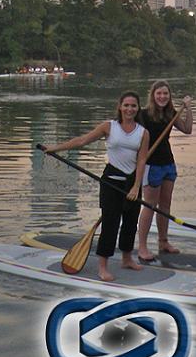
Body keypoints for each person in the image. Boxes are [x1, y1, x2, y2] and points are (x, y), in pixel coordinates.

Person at [44, 91, 149, 281]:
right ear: (120, 106)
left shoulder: (143, 133)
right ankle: (103, 267)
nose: (130, 109)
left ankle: (127, 259)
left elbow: (141, 161)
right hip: (110, 182)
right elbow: (82, 140)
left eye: (133, 105)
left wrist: (136, 186)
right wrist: (55, 149)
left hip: (131, 183)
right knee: (110, 223)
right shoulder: (109, 127)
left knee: (130, 223)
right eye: (126, 105)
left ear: (138, 108)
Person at [136, 80, 192, 261]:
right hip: (151, 165)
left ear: (169, 96)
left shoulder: (171, 114)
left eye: (165, 94)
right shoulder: (143, 115)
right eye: (159, 93)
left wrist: (188, 108)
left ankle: (163, 241)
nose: (162, 97)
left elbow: (187, 129)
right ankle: (142, 246)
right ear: (153, 95)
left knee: (165, 206)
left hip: (168, 163)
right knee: (149, 206)